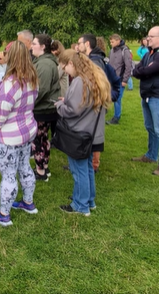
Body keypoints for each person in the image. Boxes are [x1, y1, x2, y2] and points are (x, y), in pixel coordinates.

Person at [0, 40, 39, 226]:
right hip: (26, 131)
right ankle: (28, 203)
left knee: (8, 174)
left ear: (11, 58)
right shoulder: (32, 78)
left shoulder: (10, 83)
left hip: (9, 136)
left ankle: (3, 214)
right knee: (24, 166)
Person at [56, 49, 111, 216]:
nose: (65, 71)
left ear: (71, 64)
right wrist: (68, 100)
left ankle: (80, 205)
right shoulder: (95, 77)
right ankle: (89, 200)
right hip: (91, 133)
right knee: (86, 168)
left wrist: (59, 105)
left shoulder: (80, 81)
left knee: (78, 169)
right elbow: (84, 103)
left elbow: (72, 110)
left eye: (65, 67)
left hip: (79, 134)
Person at [131, 26, 159, 176]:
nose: (148, 38)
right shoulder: (150, 53)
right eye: (148, 36)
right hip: (148, 94)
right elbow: (137, 70)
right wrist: (142, 70)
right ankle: (151, 155)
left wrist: (143, 70)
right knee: (150, 127)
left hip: (158, 96)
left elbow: (146, 71)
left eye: (151, 36)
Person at [76, 34, 121, 173]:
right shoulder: (96, 59)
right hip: (95, 104)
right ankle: (88, 164)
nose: (78, 46)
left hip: (94, 105)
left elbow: (108, 83)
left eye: (80, 43)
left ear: (87, 44)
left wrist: (107, 97)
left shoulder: (95, 62)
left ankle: (92, 165)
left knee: (92, 135)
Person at [30, 34, 61, 181]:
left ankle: (40, 172)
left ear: (43, 47)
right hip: (44, 108)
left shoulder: (44, 64)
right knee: (42, 139)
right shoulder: (43, 62)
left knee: (38, 141)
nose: (31, 46)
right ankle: (44, 167)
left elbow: (41, 90)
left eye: (34, 43)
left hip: (43, 109)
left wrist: (28, 105)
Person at [107, 34, 134, 125]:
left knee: (117, 98)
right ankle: (108, 111)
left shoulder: (124, 51)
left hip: (119, 79)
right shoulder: (111, 50)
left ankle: (116, 117)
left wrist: (125, 80)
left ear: (118, 40)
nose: (111, 44)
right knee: (110, 96)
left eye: (112, 42)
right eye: (110, 42)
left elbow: (128, 66)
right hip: (111, 79)